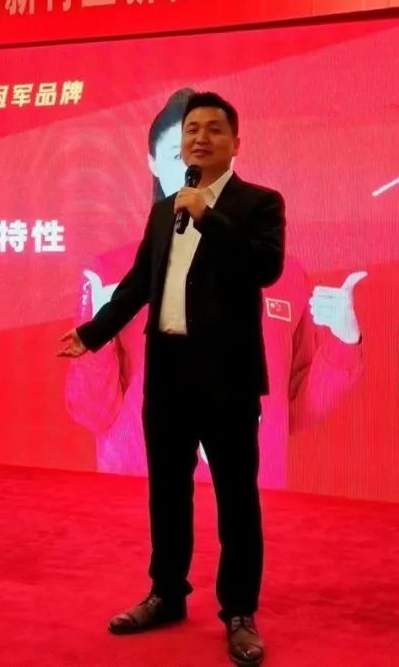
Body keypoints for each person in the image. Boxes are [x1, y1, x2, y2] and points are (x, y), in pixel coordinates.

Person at [58, 92, 357, 666]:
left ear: (235, 143)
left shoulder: (259, 203)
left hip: (229, 381)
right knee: (167, 495)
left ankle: (239, 611)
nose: (200, 138)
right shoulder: (162, 211)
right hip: (167, 377)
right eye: (192, 129)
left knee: (236, 500)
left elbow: (263, 266)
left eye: (213, 129)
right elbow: (139, 285)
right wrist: (94, 333)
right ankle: (166, 593)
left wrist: (207, 216)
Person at [63, 89, 365, 493]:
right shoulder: (112, 274)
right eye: (178, 156)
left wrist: (343, 341)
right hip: (141, 496)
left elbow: (294, 411)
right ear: (153, 163)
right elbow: (92, 413)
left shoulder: (283, 274)